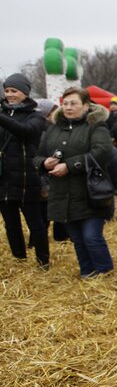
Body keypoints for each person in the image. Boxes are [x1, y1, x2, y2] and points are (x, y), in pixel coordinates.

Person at [35, 86, 114, 278]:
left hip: (90, 193)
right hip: (62, 194)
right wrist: (44, 163)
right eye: (66, 103)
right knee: (78, 238)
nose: (68, 107)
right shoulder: (53, 129)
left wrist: (69, 165)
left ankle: (105, 274)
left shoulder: (95, 127)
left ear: (86, 106)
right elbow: (37, 156)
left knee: (92, 237)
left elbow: (102, 152)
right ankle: (87, 272)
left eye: (74, 103)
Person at [0, 73, 49, 269]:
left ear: (25, 93)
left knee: (35, 223)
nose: (9, 94)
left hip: (27, 176)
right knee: (10, 224)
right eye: (7, 90)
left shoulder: (35, 116)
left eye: (14, 91)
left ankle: (43, 260)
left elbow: (26, 132)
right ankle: (19, 258)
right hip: (4, 177)